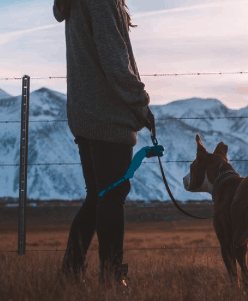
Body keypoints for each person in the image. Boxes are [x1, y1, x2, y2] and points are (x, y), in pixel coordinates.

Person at [53, 0, 155, 287]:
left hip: (86, 112)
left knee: (98, 196)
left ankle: (71, 272)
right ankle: (111, 278)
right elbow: (114, 59)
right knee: (111, 196)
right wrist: (141, 104)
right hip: (107, 114)